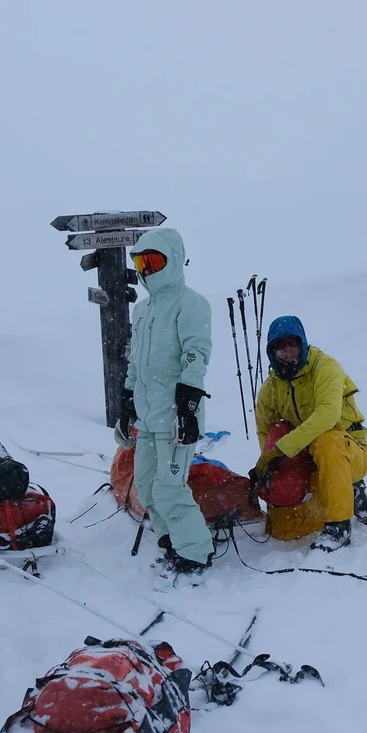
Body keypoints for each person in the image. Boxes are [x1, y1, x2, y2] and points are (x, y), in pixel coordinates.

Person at [117, 227, 213, 582]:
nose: (146, 270)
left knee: (170, 487)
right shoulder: (142, 310)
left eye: (154, 261)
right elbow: (135, 363)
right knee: (145, 484)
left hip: (175, 417)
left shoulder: (191, 303)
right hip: (148, 417)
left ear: (172, 262)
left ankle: (196, 551)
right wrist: (127, 403)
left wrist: (187, 409)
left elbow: (195, 356)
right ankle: (171, 539)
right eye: (141, 262)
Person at [251, 315, 367, 552]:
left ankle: (339, 526)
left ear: (303, 343)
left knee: (327, 439)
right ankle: (345, 493)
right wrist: (270, 462)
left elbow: (327, 416)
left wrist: (281, 450)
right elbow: (265, 431)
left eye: (292, 343)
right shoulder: (270, 388)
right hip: (311, 456)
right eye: (280, 346)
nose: (287, 351)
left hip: (351, 451)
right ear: (271, 351)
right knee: (284, 532)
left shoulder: (326, 367)